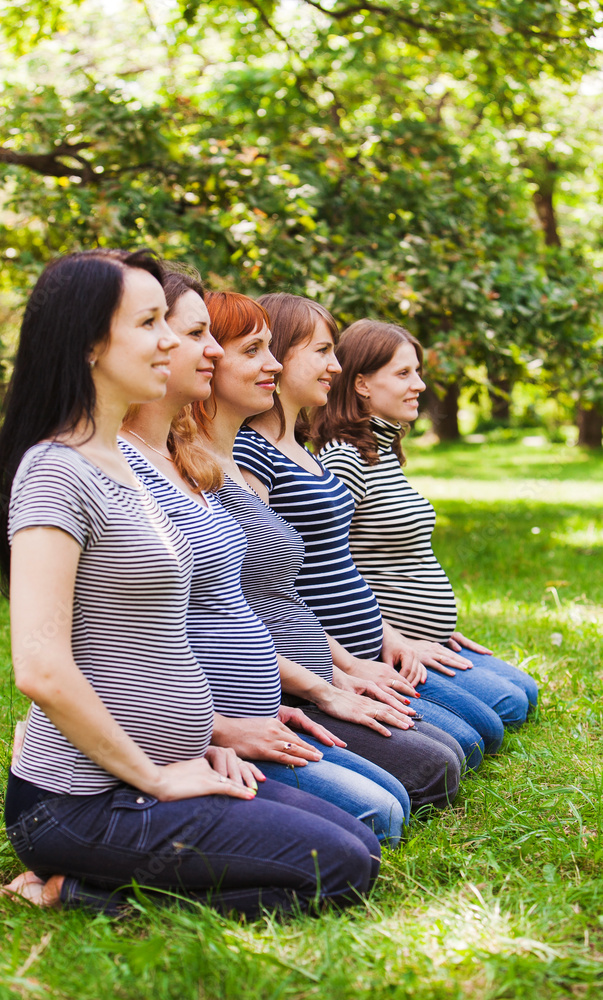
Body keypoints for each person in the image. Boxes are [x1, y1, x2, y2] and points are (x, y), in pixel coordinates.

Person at [0, 249, 380, 918]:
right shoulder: (56, 472)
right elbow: (40, 670)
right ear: (87, 343)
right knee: (338, 870)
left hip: (172, 766)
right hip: (82, 800)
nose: (170, 340)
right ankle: (73, 891)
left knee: (358, 841)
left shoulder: (127, 464)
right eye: (149, 324)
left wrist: (204, 738)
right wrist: (157, 775)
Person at [120, 269, 410, 844]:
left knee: (399, 801)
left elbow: (243, 605)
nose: (272, 366)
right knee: (382, 817)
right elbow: (122, 646)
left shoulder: (190, 466)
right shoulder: (109, 470)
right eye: (252, 349)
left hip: (274, 705)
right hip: (211, 733)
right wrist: (213, 734)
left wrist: (331, 676)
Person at [193, 289, 464, 811]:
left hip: (313, 675)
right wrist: (321, 688)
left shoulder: (229, 464)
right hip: (270, 697)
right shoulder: (225, 465)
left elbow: (284, 598)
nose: (333, 366)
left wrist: (340, 673)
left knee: (455, 752)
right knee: (411, 791)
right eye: (253, 350)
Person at [233, 292, 524, 763]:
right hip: (329, 662)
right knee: (471, 739)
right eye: (323, 351)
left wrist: (395, 637)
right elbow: (273, 588)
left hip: (373, 647)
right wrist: (344, 665)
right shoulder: (257, 455)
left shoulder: (307, 452)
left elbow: (338, 563)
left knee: (489, 723)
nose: (336, 366)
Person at [310, 318, 538, 711]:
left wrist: (436, 629)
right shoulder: (346, 459)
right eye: (403, 373)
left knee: (525, 692)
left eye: (417, 371)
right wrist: (401, 638)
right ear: (362, 384)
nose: (419, 385)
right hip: (391, 649)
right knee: (510, 703)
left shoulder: (381, 453)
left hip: (427, 640)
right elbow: (325, 569)